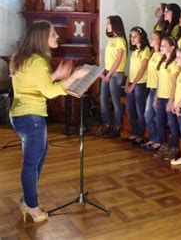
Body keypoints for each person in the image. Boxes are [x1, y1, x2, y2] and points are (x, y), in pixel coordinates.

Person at [9, 20, 87, 222]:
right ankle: (32, 207)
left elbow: (32, 83)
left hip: (20, 114)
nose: (57, 37)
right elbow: (49, 92)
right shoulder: (38, 61)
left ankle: (29, 199)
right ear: (42, 38)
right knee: (32, 163)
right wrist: (73, 77)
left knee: (36, 159)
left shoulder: (22, 57)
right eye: (53, 34)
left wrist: (56, 75)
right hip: (31, 117)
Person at [152, 36, 180, 160]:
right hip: (161, 96)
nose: (161, 47)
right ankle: (163, 144)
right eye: (161, 45)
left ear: (172, 48)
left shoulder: (173, 64)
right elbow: (159, 82)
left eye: (164, 45)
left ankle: (174, 147)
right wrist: (155, 97)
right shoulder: (162, 62)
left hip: (169, 97)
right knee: (159, 121)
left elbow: (174, 83)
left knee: (172, 124)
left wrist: (171, 100)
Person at [100, 15, 128, 138]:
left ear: (115, 25)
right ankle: (106, 124)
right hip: (107, 72)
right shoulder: (111, 39)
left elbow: (117, 60)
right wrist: (103, 72)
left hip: (116, 74)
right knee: (103, 100)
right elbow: (108, 59)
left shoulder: (121, 40)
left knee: (116, 102)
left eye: (109, 24)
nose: (107, 26)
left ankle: (116, 127)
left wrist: (109, 74)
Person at [125, 27, 151, 145]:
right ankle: (135, 131)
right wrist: (127, 83)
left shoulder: (146, 50)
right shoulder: (134, 51)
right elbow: (131, 69)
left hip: (140, 84)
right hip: (132, 83)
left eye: (135, 36)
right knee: (130, 109)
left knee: (140, 110)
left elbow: (142, 69)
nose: (132, 39)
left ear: (141, 37)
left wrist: (133, 84)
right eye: (131, 36)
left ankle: (141, 134)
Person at [143, 30, 164, 151]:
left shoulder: (161, 56)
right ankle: (153, 138)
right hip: (151, 87)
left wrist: (157, 93)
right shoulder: (153, 53)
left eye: (154, 38)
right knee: (149, 115)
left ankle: (158, 140)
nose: (151, 39)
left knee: (151, 115)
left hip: (157, 89)